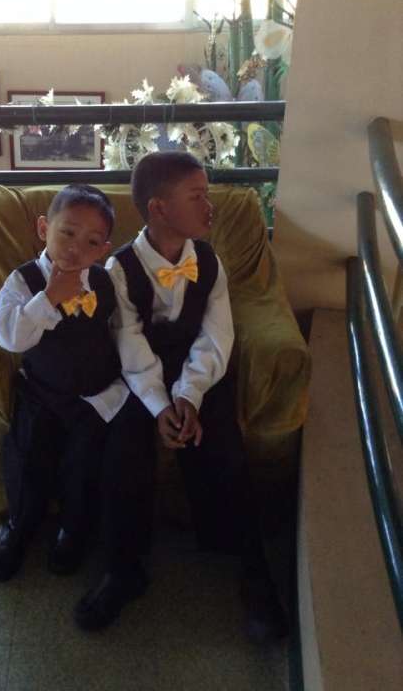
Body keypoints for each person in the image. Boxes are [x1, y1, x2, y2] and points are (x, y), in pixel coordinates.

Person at [105, 152, 288, 643]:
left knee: (226, 450)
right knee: (124, 450)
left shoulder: (208, 261)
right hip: (140, 379)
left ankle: (253, 571)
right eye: (198, 196)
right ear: (159, 208)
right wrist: (160, 405)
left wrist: (189, 395)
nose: (210, 207)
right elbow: (128, 343)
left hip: (199, 373)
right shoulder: (120, 268)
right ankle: (122, 568)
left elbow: (216, 335)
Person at [0, 183, 155, 630]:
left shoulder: (103, 281)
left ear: (103, 250)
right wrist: (49, 297)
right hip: (43, 392)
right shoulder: (22, 281)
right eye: (67, 233)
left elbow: (121, 332)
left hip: (93, 397)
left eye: (91, 241)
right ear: (44, 228)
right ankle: (19, 528)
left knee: (83, 464)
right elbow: (11, 337)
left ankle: (72, 531)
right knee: (30, 457)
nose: (75, 248)